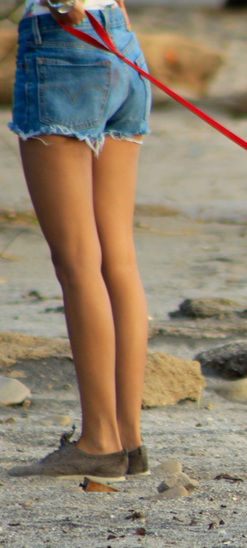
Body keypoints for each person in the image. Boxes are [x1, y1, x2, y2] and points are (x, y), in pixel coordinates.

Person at [7, 0, 151, 480]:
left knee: (78, 261)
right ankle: (128, 441)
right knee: (118, 259)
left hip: (63, 42)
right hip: (119, 39)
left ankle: (98, 442)